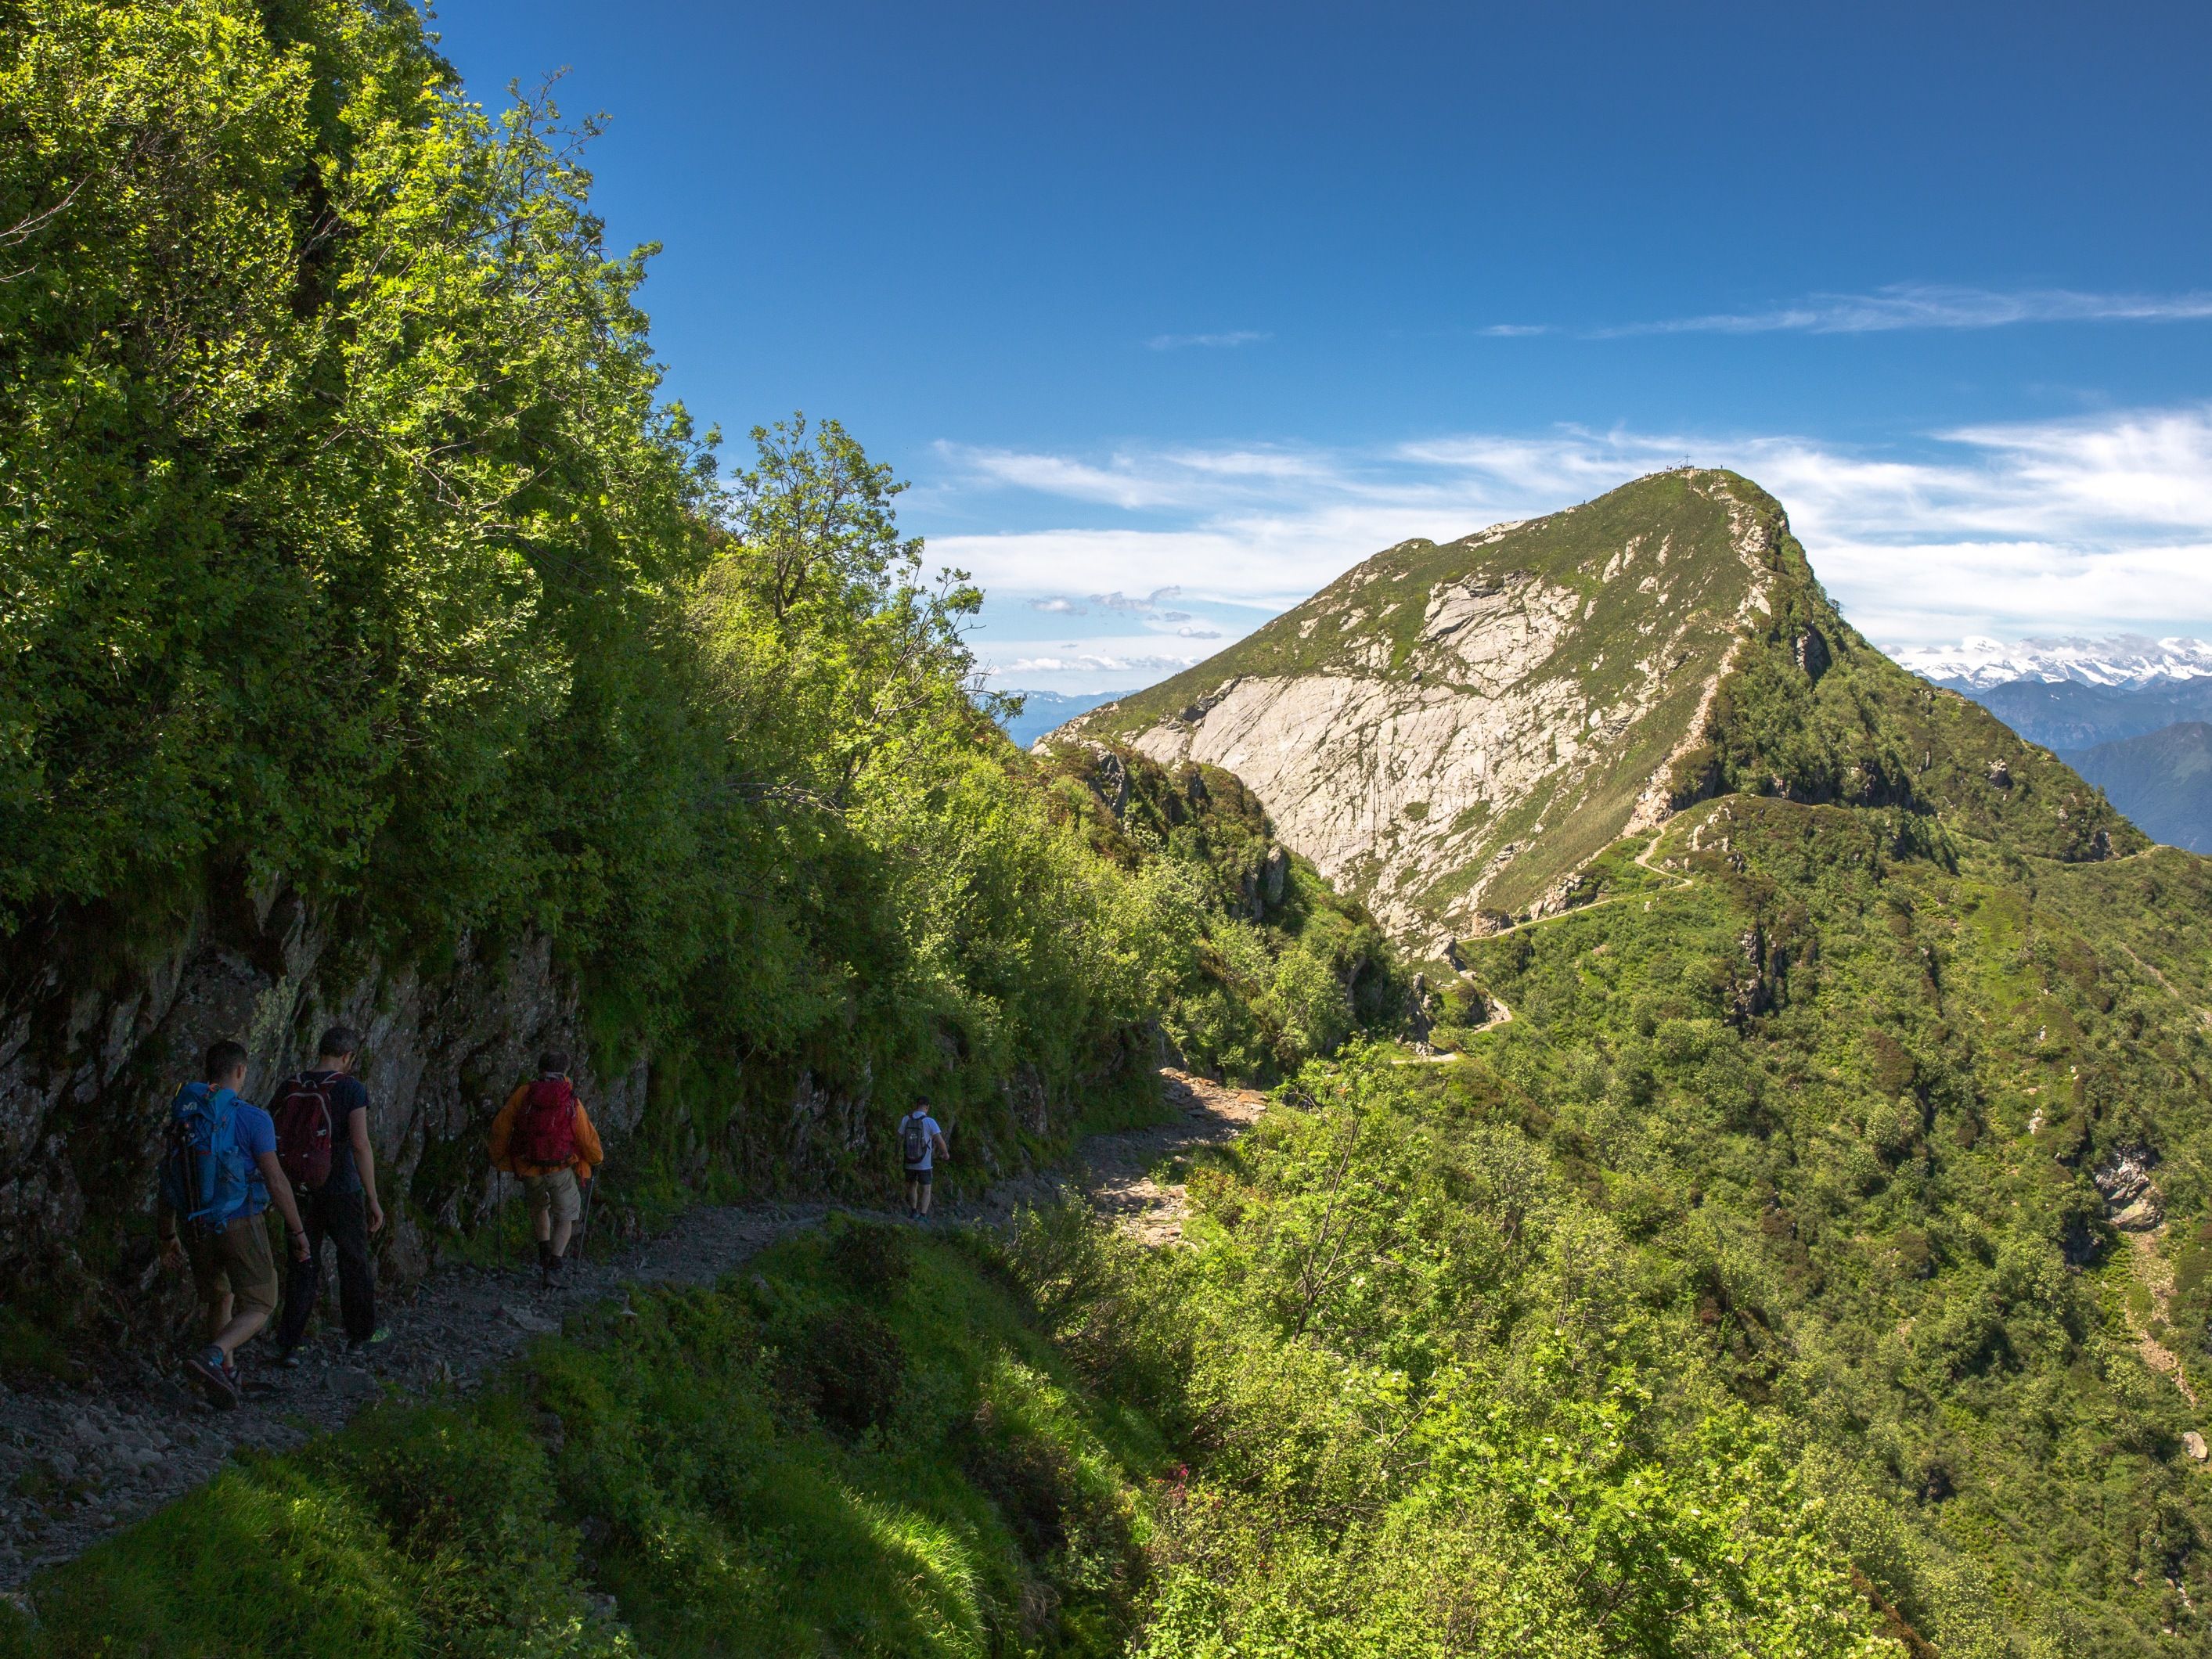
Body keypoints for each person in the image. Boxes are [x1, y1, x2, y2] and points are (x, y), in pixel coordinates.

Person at [158, 1039, 311, 1408]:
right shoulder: (252, 1117)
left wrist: (167, 1235)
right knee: (261, 1303)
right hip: (240, 1221)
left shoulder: (186, 1116)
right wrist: (298, 1231)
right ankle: (213, 1355)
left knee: (220, 1297)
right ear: (241, 1070)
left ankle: (225, 1377)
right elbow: (275, 1180)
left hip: (196, 1225)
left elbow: (169, 1179)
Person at [271, 1025, 388, 1362]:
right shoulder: (351, 1089)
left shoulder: (292, 1084)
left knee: (303, 1259)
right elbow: (361, 1144)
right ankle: (359, 1337)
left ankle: (290, 1343)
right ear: (348, 1057)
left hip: (298, 1188)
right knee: (353, 1259)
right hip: (341, 1188)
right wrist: (373, 1197)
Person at [488, 1050, 603, 1284]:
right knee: (567, 1215)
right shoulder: (569, 1097)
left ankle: (543, 1252)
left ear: (539, 1068)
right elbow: (585, 1134)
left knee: (539, 1207)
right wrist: (596, 1158)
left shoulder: (525, 1093)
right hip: (559, 1167)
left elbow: (501, 1126)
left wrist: (499, 1157)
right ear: (565, 1071)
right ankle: (555, 1264)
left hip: (529, 1166)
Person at [898, 1099, 949, 1219]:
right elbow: (940, 1141)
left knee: (912, 1185)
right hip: (924, 1163)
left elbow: (898, 1139)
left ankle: (913, 1211)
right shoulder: (930, 1121)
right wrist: (945, 1153)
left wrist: (897, 1155)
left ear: (916, 1105)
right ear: (927, 1107)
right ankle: (923, 1215)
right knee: (926, 1188)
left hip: (909, 1160)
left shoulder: (906, 1119)